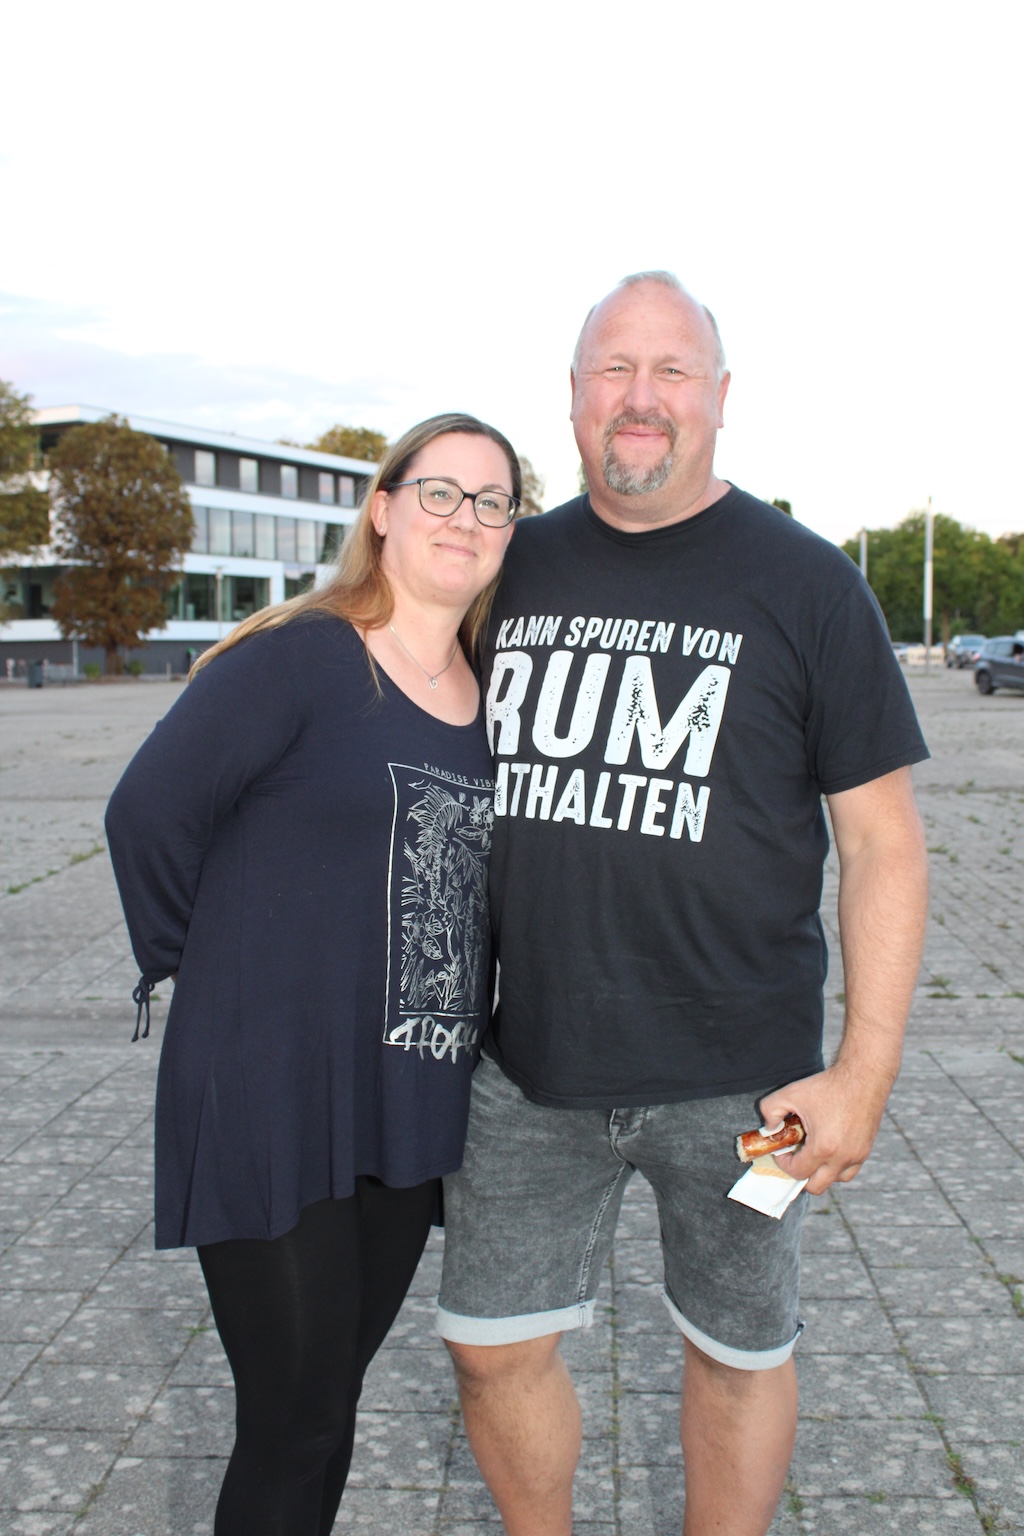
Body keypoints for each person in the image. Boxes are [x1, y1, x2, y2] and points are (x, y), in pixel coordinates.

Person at [436, 274, 930, 1536]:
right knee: (488, 1346)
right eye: (613, 368)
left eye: (670, 370)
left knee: (739, 1354)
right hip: (528, 1062)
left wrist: (862, 1072)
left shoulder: (809, 585)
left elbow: (881, 841)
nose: (640, 397)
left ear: (718, 395)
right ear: (573, 395)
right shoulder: (508, 566)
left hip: (743, 1085)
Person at [105, 412, 519, 1536]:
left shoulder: (495, 694)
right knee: (291, 1423)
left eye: (492, 501)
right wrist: (221, 976)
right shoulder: (302, 656)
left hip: (407, 1104)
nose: (465, 518)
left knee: (328, 1408)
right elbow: (147, 814)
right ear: (383, 510)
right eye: (440, 492)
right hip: (272, 1093)